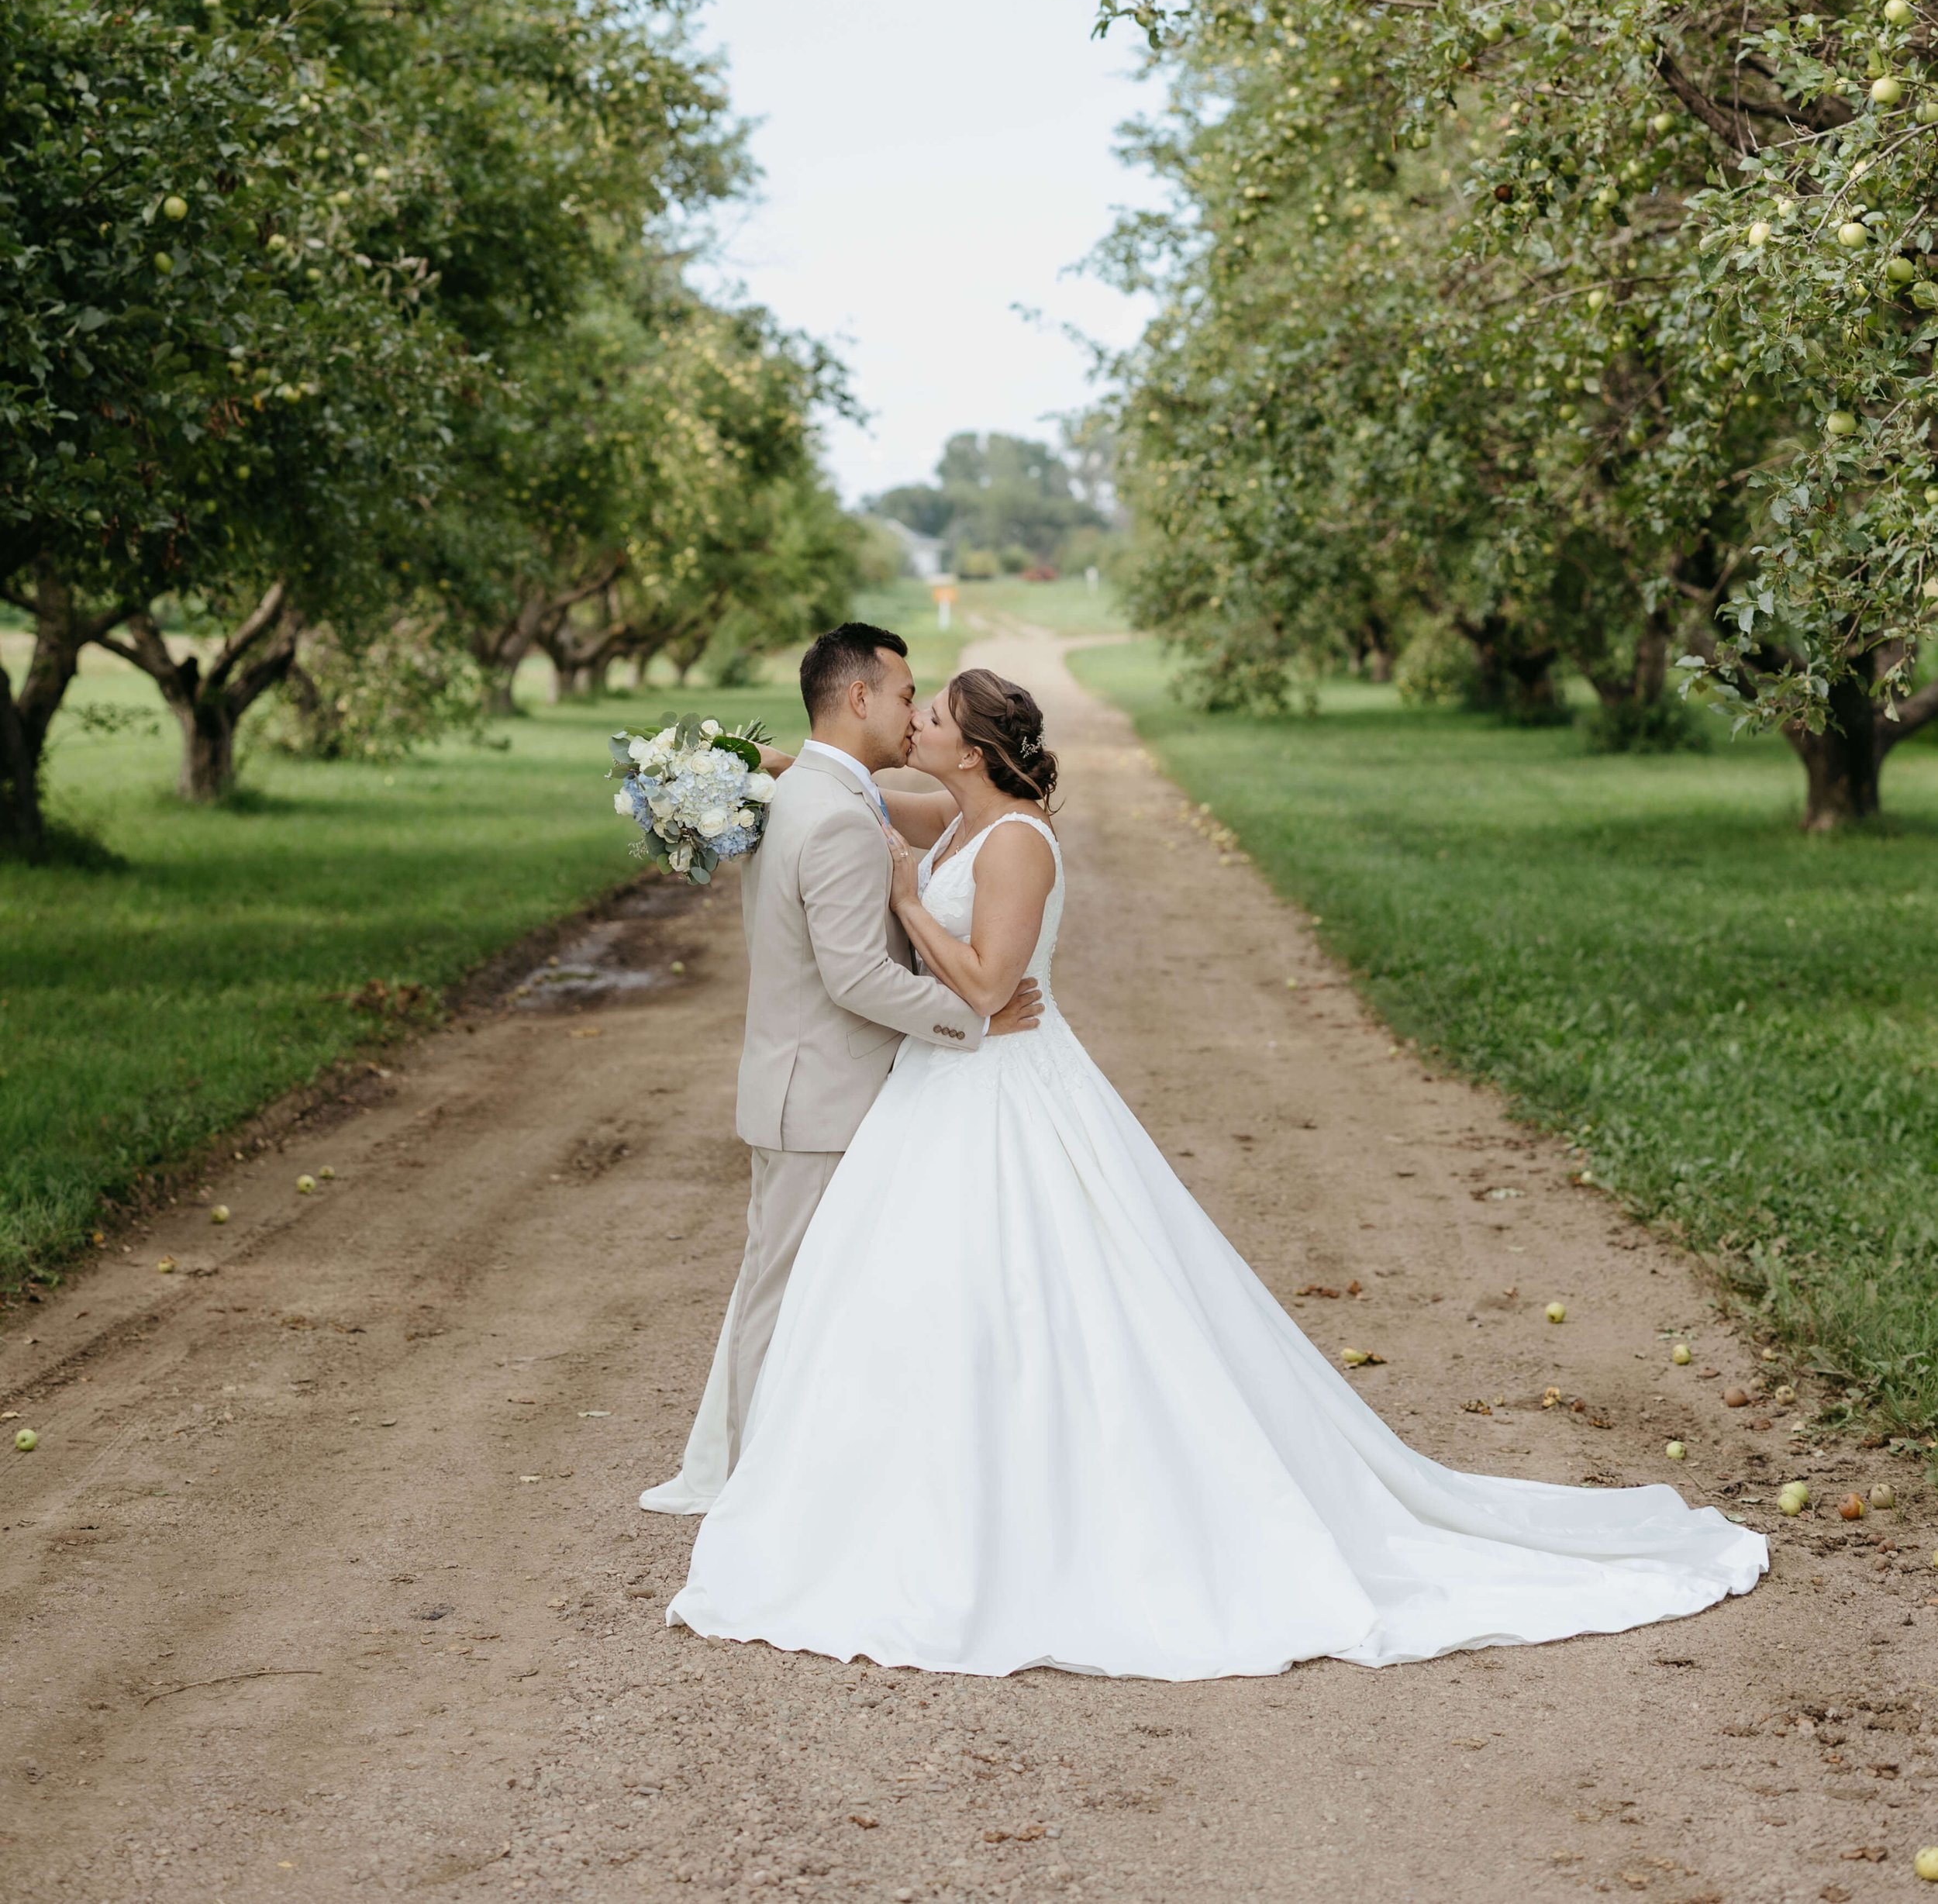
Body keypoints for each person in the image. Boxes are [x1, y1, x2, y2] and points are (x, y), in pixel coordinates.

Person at [663, 664, 1767, 1678]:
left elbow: (995, 989)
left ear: (975, 746)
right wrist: (735, 762)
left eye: (936, 714)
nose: (919, 722)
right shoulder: (949, 817)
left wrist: (907, 903)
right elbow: (846, 790)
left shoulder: (1014, 845)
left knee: (1047, 1290)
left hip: (1004, 1078)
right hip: (940, 1095)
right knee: (919, 1294)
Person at [639, 625, 1040, 1512]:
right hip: (820, 1098)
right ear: (859, 698)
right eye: (905, 696)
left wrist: (767, 759)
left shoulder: (818, 796)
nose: (911, 711)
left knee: (807, 1295)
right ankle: (752, 1497)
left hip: (827, 1092)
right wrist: (973, 1019)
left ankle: (806, 1485)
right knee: (780, 1301)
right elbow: (855, 974)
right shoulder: (830, 814)